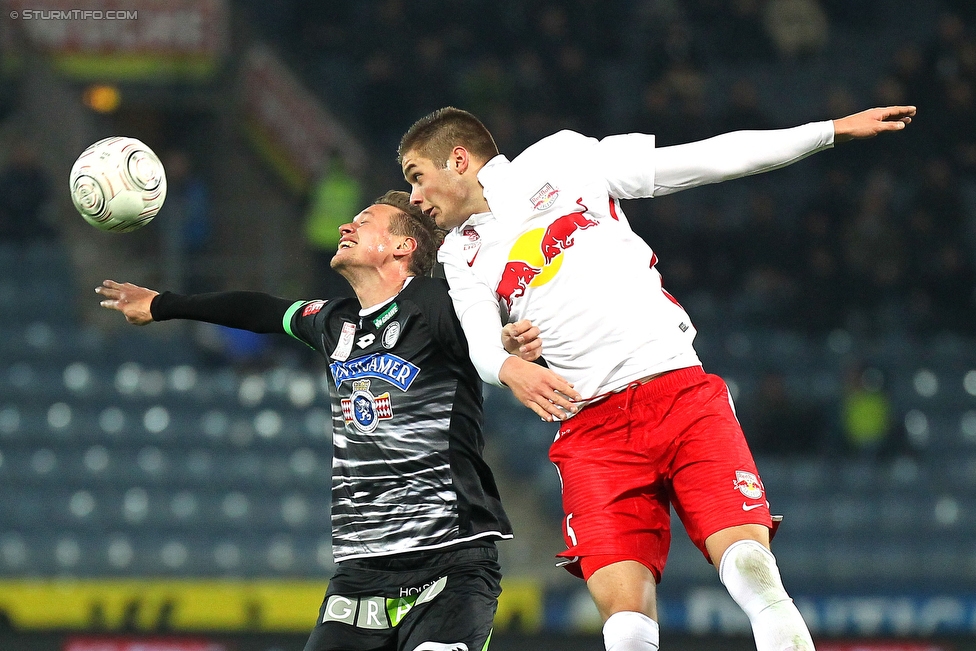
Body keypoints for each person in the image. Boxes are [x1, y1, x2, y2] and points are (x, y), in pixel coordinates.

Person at [397, 104, 916, 651]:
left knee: (749, 568)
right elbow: (481, 343)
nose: (413, 197)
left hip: (677, 390)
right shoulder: (460, 253)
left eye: (417, 177)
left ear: (457, 159)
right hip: (592, 429)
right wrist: (509, 366)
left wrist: (825, 132)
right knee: (623, 619)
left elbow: (703, 159)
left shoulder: (563, 158)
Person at [95, 190, 513, 651]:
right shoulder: (334, 321)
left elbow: (498, 332)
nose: (344, 227)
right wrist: (162, 305)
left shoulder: (436, 303)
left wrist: (512, 346)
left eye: (364, 221)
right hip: (361, 569)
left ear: (402, 246)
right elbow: (260, 311)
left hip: (449, 559)